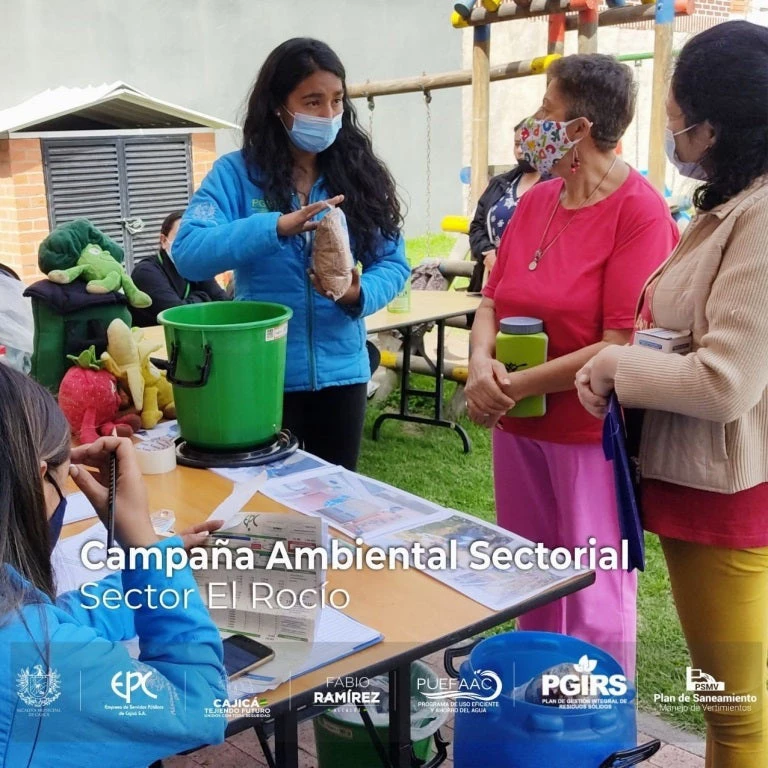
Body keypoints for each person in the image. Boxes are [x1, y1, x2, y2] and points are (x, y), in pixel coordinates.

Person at [576, 22, 768, 766]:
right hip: (698, 493)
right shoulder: (732, 204)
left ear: (713, 127)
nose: (670, 133)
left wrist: (617, 367)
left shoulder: (758, 221)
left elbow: (726, 381)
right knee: (734, 705)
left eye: (676, 118)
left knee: (735, 715)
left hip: (726, 502)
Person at [464, 54, 680, 679]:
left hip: (590, 435)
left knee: (593, 592)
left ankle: (597, 720)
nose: (533, 122)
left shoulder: (640, 214)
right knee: (532, 582)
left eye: (546, 110)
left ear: (579, 128)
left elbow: (620, 340)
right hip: (519, 428)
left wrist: (507, 385)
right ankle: (538, 707)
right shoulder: (538, 201)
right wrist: (482, 365)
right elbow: (493, 299)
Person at [173, 38, 409, 471]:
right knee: (268, 513)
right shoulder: (237, 174)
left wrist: (359, 295)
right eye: (313, 102)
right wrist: (276, 227)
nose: (328, 115)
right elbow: (188, 253)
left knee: (333, 500)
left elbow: (393, 262)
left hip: (343, 376)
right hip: (262, 376)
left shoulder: (359, 173)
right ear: (278, 107)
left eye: (337, 101)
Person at [0, 363, 227, 765]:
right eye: (63, 477)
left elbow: (36, 621)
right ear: (36, 480)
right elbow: (200, 707)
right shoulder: (39, 665)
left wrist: (154, 572)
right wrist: (143, 546)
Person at [467, 120, 541, 293]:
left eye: (527, 144)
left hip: (532, 282)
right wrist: (488, 252)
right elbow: (477, 226)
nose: (520, 150)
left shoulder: (557, 186)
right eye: (517, 144)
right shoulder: (499, 183)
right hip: (490, 277)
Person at [129, 210, 230, 327]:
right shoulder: (146, 272)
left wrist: (194, 301)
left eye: (194, 237)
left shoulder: (196, 266)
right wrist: (203, 296)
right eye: (181, 236)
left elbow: (224, 304)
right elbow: (177, 315)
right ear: (163, 241)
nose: (189, 243)